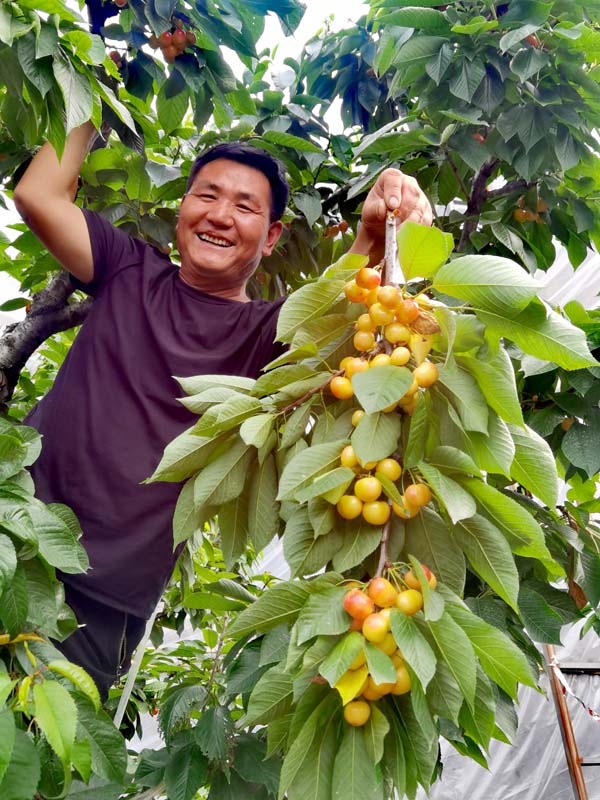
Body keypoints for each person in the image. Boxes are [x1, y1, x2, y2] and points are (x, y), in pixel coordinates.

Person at [13, 121, 433, 699]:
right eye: (206, 195)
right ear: (182, 207)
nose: (219, 214)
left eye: (244, 206)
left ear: (270, 237)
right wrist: (87, 95)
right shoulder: (128, 268)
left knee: (39, 762)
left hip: (105, 598)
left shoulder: (270, 335)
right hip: (14, 534)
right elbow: (37, 197)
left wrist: (374, 225)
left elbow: (351, 303)